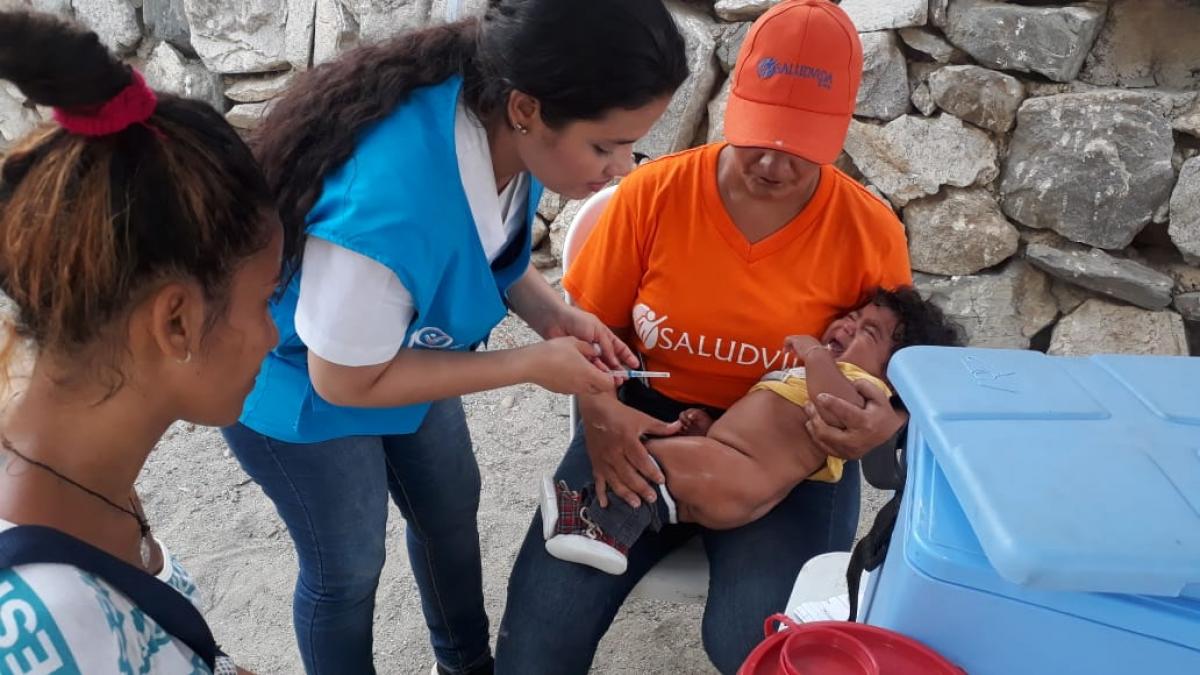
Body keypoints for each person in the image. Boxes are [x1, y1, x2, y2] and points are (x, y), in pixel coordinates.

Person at [219, 2, 688, 673]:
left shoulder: (500, 122)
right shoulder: (386, 203)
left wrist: (558, 319)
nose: (620, 170)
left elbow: (493, 251)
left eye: (630, 144)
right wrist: (530, 363)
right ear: (527, 108)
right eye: (604, 145)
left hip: (406, 350)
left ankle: (465, 662)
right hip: (298, 382)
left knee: (448, 507)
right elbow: (343, 379)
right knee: (347, 566)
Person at [495, 1, 914, 672]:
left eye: (800, 146)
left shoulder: (869, 232)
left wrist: (878, 427)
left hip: (791, 437)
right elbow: (586, 333)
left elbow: (897, 367)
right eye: (760, 135)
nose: (773, 164)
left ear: (839, 133)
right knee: (540, 639)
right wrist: (601, 415)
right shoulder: (654, 195)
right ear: (731, 104)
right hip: (642, 415)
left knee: (766, 644)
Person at [0, 10, 281, 674]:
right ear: (175, 321)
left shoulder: (83, 476)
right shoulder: (41, 631)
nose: (273, 335)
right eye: (266, 301)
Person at [541, 288, 962, 574]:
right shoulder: (816, 374)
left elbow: (838, 408)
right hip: (727, 465)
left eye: (868, 332)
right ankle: (609, 526)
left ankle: (598, 528)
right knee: (652, 460)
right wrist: (707, 429)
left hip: (739, 480)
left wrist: (814, 353)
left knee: (648, 459)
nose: (848, 328)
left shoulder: (860, 387)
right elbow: (754, 428)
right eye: (851, 318)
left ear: (894, 374)